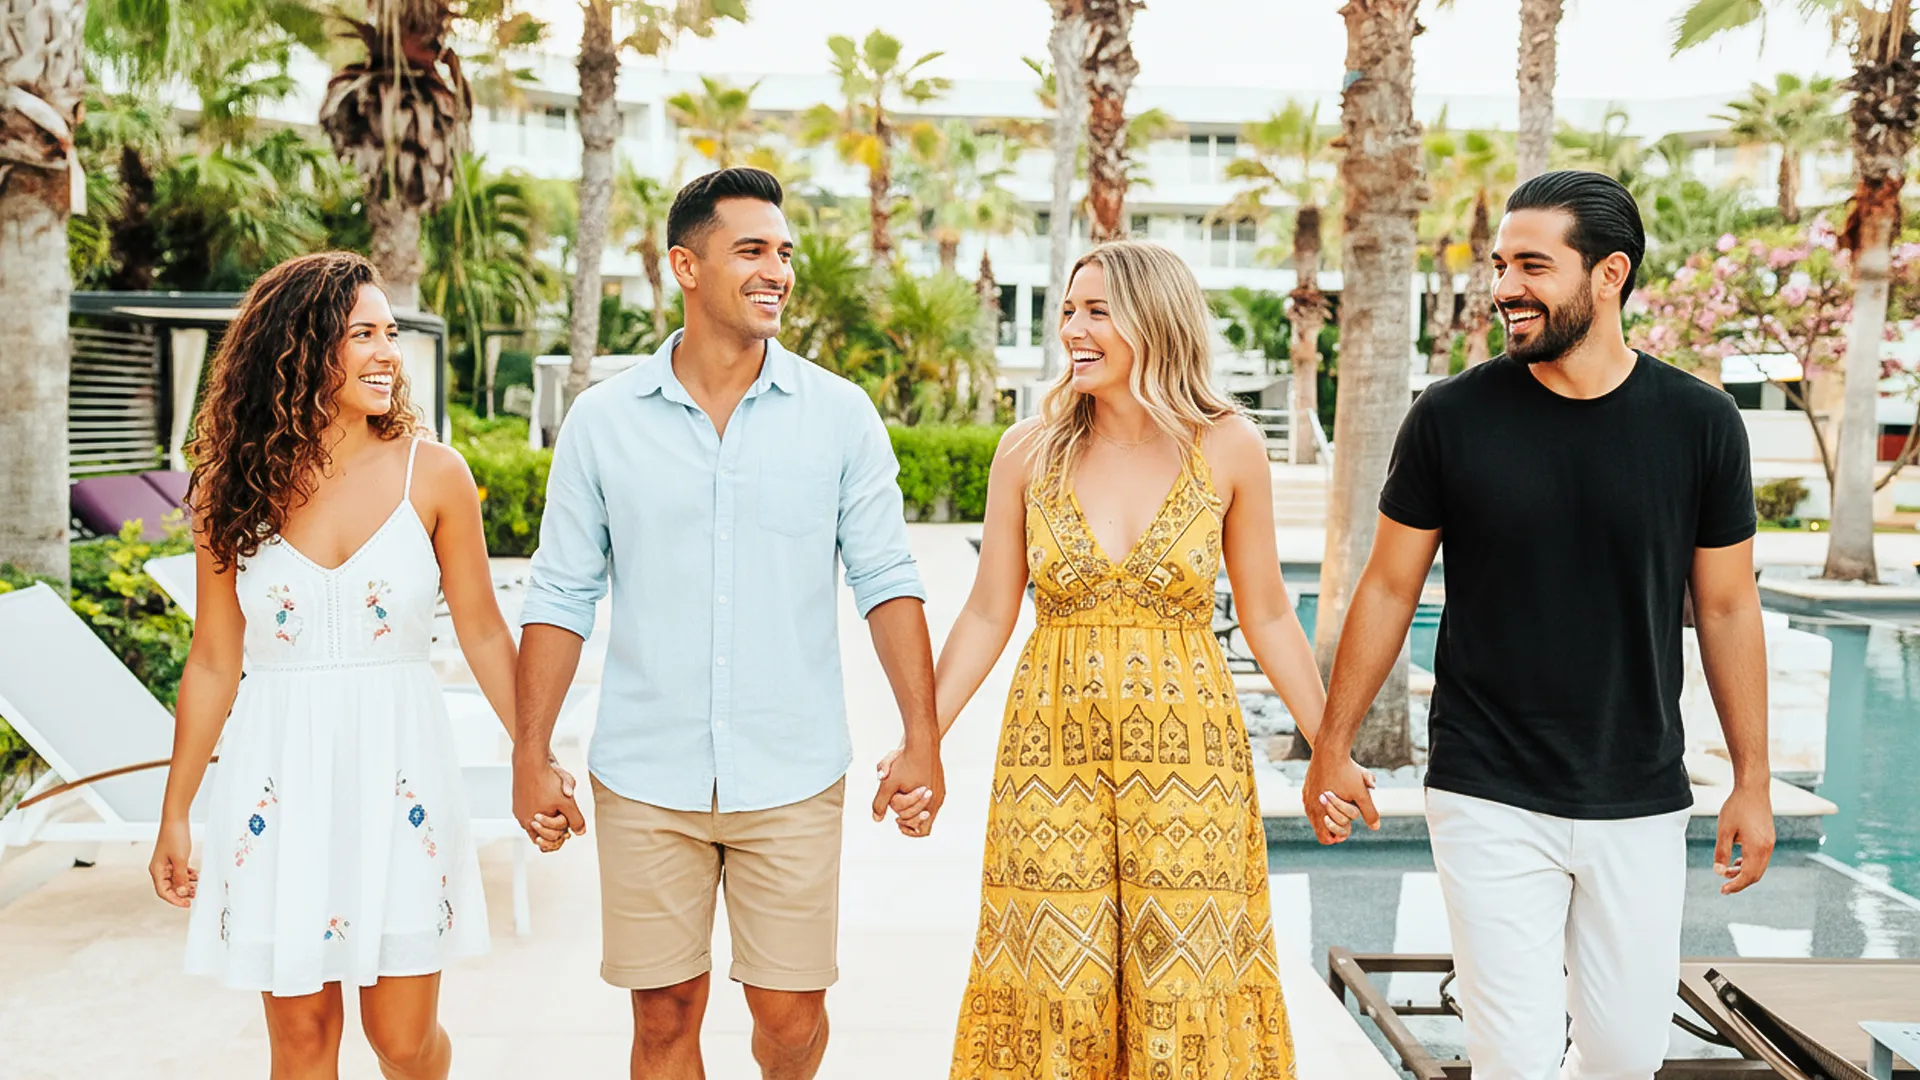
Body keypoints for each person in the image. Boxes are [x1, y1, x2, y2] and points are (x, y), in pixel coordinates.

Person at [1307, 170, 1775, 1080]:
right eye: (1500, 264)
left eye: (1532, 264)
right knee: (1514, 1058)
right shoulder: (1450, 417)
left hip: (1638, 790)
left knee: (1625, 1055)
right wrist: (1332, 743)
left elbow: (1725, 605)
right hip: (1487, 786)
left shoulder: (1702, 424)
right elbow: (1388, 587)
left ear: (1609, 275)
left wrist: (1752, 780)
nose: (1505, 287)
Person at [510, 166, 943, 1080]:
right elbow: (559, 594)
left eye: (784, 253)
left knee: (790, 1018)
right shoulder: (602, 422)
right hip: (646, 771)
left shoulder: (840, 416)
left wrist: (922, 737)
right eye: (752, 250)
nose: (777, 270)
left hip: (790, 768)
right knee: (664, 1016)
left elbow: (886, 577)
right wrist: (530, 753)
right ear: (686, 265)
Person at [903, 239, 1361, 1079]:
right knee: (1052, 977)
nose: (1073, 329)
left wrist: (1329, 744)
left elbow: (1266, 611)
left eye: (1096, 311)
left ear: (1154, 321)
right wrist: (922, 738)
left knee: (1184, 982)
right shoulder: (1027, 451)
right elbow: (986, 611)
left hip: (1192, 764)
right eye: (1069, 311)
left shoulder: (1225, 446)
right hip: (1051, 759)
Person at [149, 251, 569, 1080]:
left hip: (400, 772)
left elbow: (485, 634)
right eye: (363, 335)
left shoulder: (435, 473)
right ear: (300, 348)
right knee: (302, 1045)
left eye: (392, 334)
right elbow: (211, 663)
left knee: (404, 1043)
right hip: (277, 775)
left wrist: (535, 754)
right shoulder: (226, 489)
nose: (388, 353)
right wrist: (176, 812)